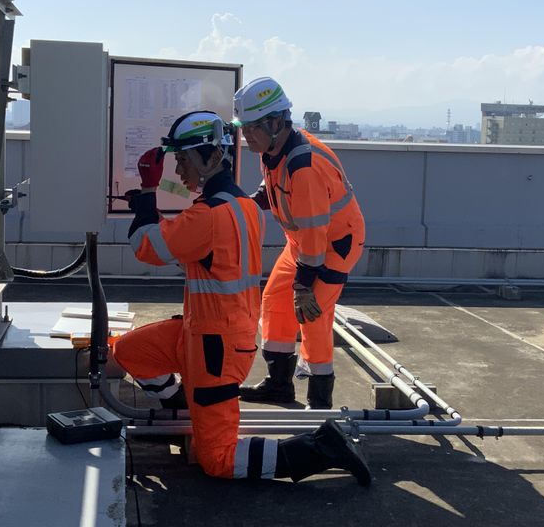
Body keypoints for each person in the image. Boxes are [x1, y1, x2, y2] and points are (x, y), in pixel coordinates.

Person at [112, 110, 370, 484]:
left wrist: (149, 194)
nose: (178, 170)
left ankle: (323, 448)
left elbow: (147, 246)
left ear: (212, 157)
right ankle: (184, 410)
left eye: (184, 159)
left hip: (215, 350)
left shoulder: (209, 215)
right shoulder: (242, 205)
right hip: (203, 332)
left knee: (217, 459)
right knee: (130, 351)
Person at [233, 78, 366, 410]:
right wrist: (247, 204)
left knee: (312, 314)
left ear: (276, 122)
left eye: (252, 127)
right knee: (275, 301)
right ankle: (278, 385)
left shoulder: (304, 167)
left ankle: (319, 402)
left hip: (334, 246)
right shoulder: (273, 150)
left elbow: (315, 234)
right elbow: (273, 187)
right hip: (302, 243)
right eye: (243, 128)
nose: (246, 135)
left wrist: (304, 285)